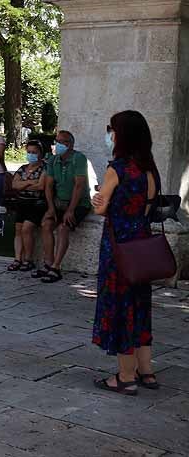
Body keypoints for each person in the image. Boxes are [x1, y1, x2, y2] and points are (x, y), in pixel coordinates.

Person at [91, 110, 160, 395]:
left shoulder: (117, 169)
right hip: (141, 248)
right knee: (140, 307)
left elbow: (100, 208)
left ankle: (125, 376)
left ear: (122, 135)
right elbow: (147, 207)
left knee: (120, 309)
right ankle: (147, 371)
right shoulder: (149, 170)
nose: (110, 135)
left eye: (112, 130)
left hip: (118, 248)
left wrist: (98, 198)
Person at [35, 130, 92, 284]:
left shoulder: (78, 158)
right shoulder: (53, 160)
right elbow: (48, 186)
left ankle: (56, 267)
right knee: (46, 224)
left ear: (70, 144)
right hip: (59, 202)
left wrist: (71, 210)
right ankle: (48, 262)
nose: (58, 144)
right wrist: (51, 208)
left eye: (62, 142)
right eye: (57, 141)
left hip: (79, 203)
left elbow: (79, 186)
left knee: (63, 228)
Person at [6, 140, 48, 272]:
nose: (31, 155)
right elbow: (14, 185)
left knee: (26, 228)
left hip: (37, 204)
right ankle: (18, 258)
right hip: (22, 202)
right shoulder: (23, 168)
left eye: (34, 152)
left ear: (40, 153)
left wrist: (23, 183)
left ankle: (28, 259)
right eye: (29, 152)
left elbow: (41, 186)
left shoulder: (45, 168)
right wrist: (30, 182)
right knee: (18, 230)